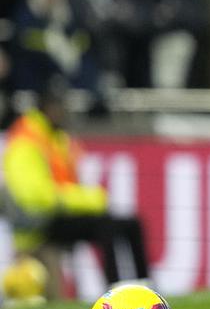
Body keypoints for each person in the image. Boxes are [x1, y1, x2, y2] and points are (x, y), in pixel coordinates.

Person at [1, 78, 151, 293]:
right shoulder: (26, 141)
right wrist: (87, 200)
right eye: (60, 107)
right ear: (47, 108)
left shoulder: (56, 138)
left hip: (59, 214)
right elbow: (34, 196)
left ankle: (146, 285)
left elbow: (67, 179)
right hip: (39, 223)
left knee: (130, 223)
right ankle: (116, 290)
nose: (64, 113)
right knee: (106, 226)